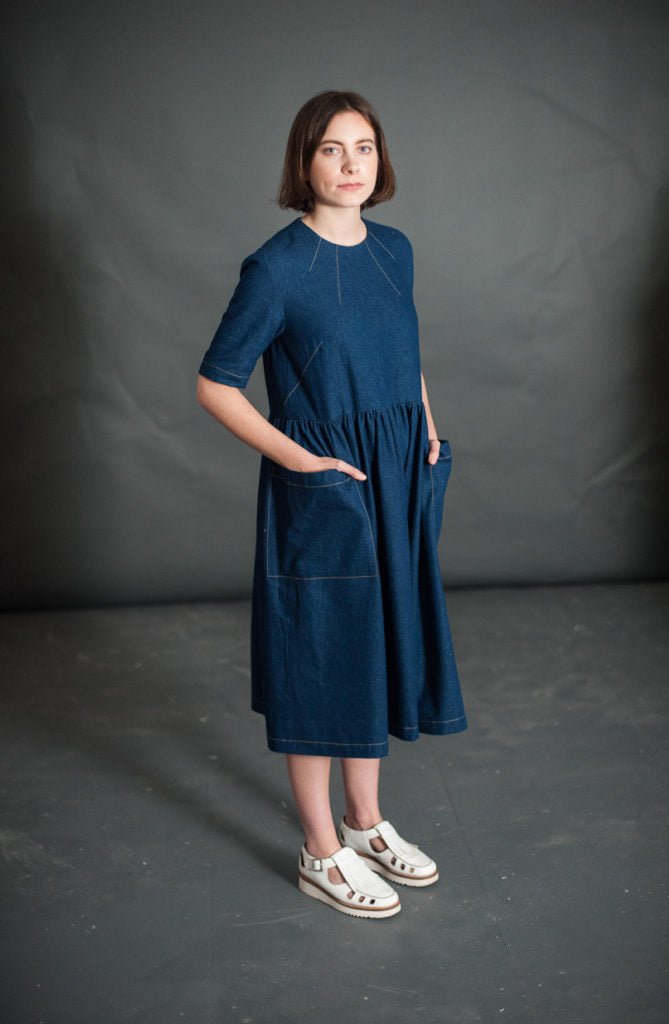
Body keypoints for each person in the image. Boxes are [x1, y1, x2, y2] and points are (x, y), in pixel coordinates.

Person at [197, 90, 467, 920]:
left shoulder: (394, 249)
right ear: (303, 162)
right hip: (327, 484)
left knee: (374, 646)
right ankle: (320, 851)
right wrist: (303, 461)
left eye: (364, 147)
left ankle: (363, 821)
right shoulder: (277, 268)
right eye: (331, 149)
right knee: (320, 659)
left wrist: (425, 425)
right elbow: (215, 384)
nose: (351, 165)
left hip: (397, 474)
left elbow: (404, 352)